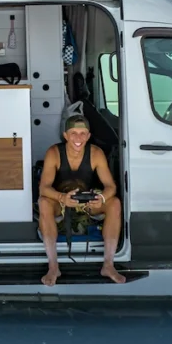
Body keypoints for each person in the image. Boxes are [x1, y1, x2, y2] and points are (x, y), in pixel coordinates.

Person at [37, 115, 125, 287]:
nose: (78, 138)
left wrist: (101, 198)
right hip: (61, 201)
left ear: (89, 136)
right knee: (43, 203)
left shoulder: (96, 154)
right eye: (73, 133)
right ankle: (53, 267)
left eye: (83, 133)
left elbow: (111, 186)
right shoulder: (54, 153)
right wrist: (62, 197)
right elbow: (44, 188)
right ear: (65, 135)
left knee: (114, 203)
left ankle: (108, 265)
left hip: (87, 202)